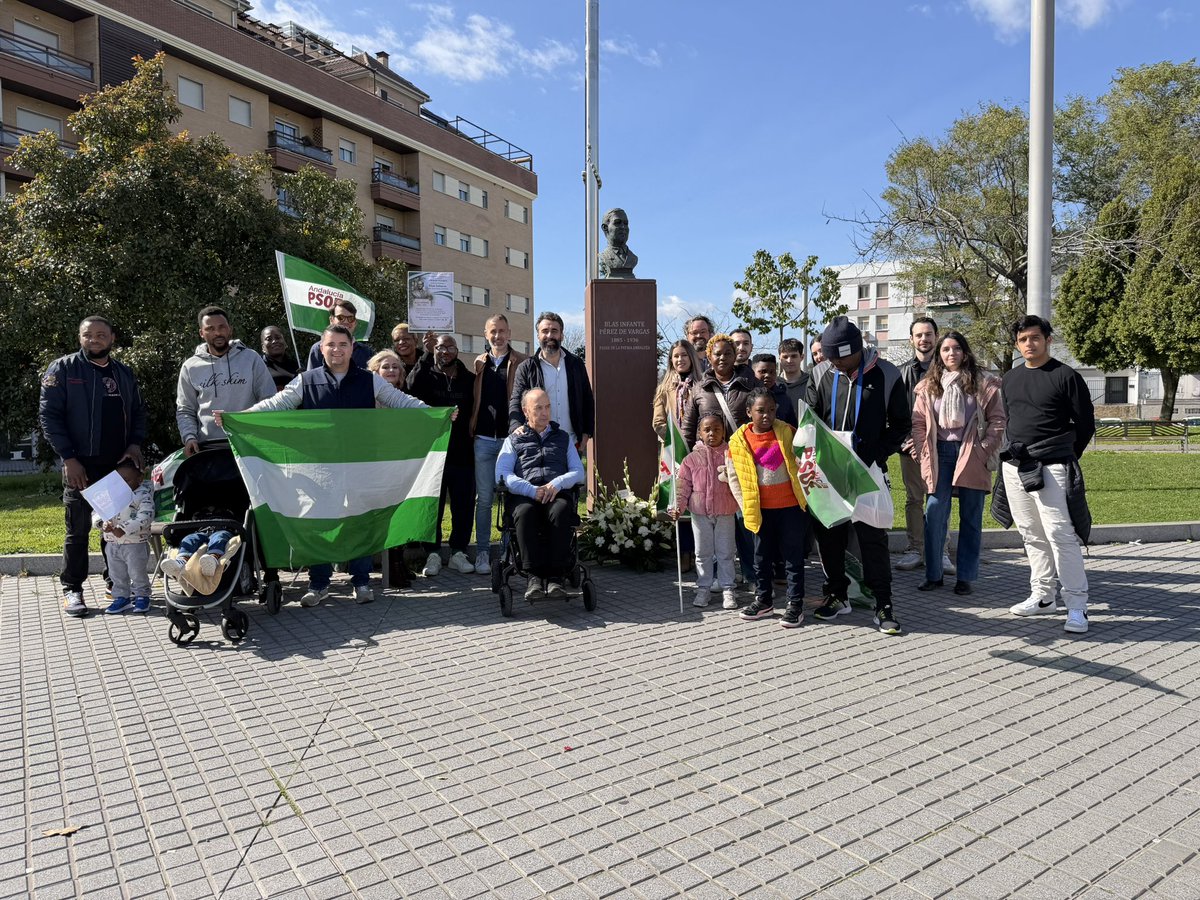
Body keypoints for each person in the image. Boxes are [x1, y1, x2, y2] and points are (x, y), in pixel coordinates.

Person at [224, 325, 431, 606]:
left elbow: (399, 400)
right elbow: (278, 403)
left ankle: (361, 582)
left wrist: (433, 413)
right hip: (319, 467)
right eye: (331, 344)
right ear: (322, 349)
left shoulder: (370, 380)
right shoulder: (306, 381)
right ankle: (319, 584)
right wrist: (239, 416)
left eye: (342, 344)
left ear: (352, 347)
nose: (337, 350)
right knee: (318, 523)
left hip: (360, 465)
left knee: (359, 521)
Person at [992, 315, 1095, 634]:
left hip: (1053, 466)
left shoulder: (1066, 376)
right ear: (1016, 344)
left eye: (1035, 338)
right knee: (1031, 534)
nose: (1029, 344)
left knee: (1060, 534)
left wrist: (1061, 456)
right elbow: (1010, 419)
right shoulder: (1010, 378)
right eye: (1023, 340)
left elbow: (1085, 425)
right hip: (1015, 465)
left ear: (1048, 340)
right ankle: (1043, 596)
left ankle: (1077, 605)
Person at [39, 316, 147, 619]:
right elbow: (50, 418)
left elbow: (139, 412)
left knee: (113, 529)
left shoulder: (123, 373)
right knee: (78, 529)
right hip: (80, 465)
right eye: (88, 335)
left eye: (101, 335)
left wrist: (135, 445)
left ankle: (116, 584)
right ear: (80, 337)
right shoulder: (62, 370)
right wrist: (69, 459)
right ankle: (72, 588)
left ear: (112, 338)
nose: (94, 340)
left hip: (115, 467)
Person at [807, 316, 909, 635]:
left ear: (857, 350)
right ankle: (837, 594)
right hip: (830, 473)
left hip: (867, 471)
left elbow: (902, 425)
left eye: (839, 357)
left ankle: (883, 603)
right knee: (831, 538)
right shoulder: (822, 374)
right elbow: (810, 420)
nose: (834, 362)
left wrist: (877, 454)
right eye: (829, 356)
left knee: (872, 539)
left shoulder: (888, 374)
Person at [911, 331, 1006, 595]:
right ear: (939, 355)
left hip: (971, 451)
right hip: (939, 452)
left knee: (971, 516)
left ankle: (965, 577)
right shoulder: (928, 385)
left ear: (965, 352)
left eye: (956, 349)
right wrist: (922, 450)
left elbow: (998, 420)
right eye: (945, 350)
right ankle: (933, 575)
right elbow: (919, 422)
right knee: (934, 512)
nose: (951, 354)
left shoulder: (983, 383)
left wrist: (983, 448)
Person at [726, 388, 810, 628]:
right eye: (760, 411)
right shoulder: (738, 441)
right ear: (748, 412)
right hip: (760, 510)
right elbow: (734, 476)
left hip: (791, 508)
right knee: (760, 557)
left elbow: (804, 461)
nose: (766, 415)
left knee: (793, 558)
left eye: (771, 410)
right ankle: (763, 600)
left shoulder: (787, 432)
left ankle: (795, 604)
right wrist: (745, 505)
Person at [682, 334, 760, 586]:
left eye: (728, 353)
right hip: (708, 467)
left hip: (741, 463)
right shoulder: (699, 388)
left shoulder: (749, 384)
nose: (723, 358)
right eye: (717, 354)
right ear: (709, 356)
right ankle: (716, 577)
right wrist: (686, 461)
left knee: (744, 519)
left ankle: (751, 574)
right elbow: (688, 428)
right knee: (713, 520)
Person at [497, 388, 585, 600]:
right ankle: (533, 577)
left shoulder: (563, 438)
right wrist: (531, 490)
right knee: (525, 512)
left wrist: (556, 484)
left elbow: (578, 471)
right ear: (526, 411)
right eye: (538, 408)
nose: (545, 412)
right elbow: (502, 474)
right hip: (525, 494)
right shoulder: (513, 440)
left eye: (547, 407)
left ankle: (556, 577)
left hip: (555, 493)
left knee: (562, 510)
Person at [407, 332, 476, 577]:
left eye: (449, 346)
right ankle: (433, 553)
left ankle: (458, 551)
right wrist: (425, 354)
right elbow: (409, 387)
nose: (444, 351)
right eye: (439, 347)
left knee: (463, 504)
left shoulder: (469, 379)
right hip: (433, 453)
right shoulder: (424, 375)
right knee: (432, 505)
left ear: (457, 350)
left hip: (463, 452)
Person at [177, 306, 276, 456]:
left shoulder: (251, 358)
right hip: (208, 449)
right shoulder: (190, 367)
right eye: (210, 328)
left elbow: (269, 399)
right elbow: (185, 409)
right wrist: (189, 437)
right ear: (201, 333)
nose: (217, 333)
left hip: (251, 446)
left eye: (221, 327)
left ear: (230, 329)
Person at [470, 314, 527, 574]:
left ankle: (506, 550)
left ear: (509, 333)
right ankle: (482, 552)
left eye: (502, 331)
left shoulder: (522, 362)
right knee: (483, 500)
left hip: (510, 440)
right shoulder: (479, 363)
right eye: (493, 331)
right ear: (485, 334)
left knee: (510, 496)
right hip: (483, 439)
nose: (498, 336)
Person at [896, 316, 953, 575]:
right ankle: (915, 549)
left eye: (928, 334)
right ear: (911, 340)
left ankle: (940, 551)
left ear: (936, 337)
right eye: (918, 335)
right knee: (914, 499)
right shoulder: (902, 373)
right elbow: (897, 412)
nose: (924, 339)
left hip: (942, 446)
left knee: (940, 498)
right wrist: (908, 440)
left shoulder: (950, 371)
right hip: (910, 447)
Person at [670, 413, 739, 609]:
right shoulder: (691, 459)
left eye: (717, 429)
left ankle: (728, 589)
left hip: (725, 511)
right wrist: (677, 507)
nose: (712, 433)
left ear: (723, 431)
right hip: (699, 513)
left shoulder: (731, 454)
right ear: (699, 433)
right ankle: (703, 588)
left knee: (726, 552)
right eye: (707, 430)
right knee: (702, 552)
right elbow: (683, 487)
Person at [509, 312, 594, 453]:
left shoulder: (576, 364)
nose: (549, 336)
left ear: (561, 335)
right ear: (538, 336)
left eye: (554, 331)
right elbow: (516, 400)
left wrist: (586, 433)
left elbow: (587, 399)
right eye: (544, 331)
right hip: (538, 444)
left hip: (572, 444)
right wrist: (515, 425)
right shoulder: (526, 367)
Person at [652, 339, 702, 571]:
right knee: (678, 501)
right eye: (675, 356)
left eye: (683, 355)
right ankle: (683, 553)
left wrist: (696, 441)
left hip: (699, 450)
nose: (679, 360)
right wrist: (675, 439)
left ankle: (699, 551)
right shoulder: (664, 388)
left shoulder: (702, 385)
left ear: (691, 357)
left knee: (698, 501)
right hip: (675, 453)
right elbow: (658, 422)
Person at [367, 350, 414, 588]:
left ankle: (398, 562)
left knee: (398, 514)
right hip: (372, 465)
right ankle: (385, 566)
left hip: (398, 463)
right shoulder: (366, 399)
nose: (392, 371)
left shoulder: (404, 399)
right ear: (375, 371)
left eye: (396, 367)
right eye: (386, 367)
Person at [92, 459, 154, 614]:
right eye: (119, 481)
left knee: (137, 571)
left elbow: (146, 516)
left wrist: (124, 529)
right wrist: (101, 523)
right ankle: (121, 597)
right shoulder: (111, 494)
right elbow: (97, 511)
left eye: (127, 480)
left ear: (139, 479)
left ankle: (141, 595)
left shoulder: (143, 495)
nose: (122, 484)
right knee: (116, 572)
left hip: (135, 543)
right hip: (112, 543)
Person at [305, 299, 372, 370]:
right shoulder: (318, 349)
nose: (346, 321)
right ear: (331, 320)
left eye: (350, 318)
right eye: (341, 318)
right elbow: (312, 379)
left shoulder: (366, 352)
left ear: (355, 322)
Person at [750, 353, 797, 427]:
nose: (768, 375)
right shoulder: (745, 395)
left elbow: (792, 427)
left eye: (772, 372)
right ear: (752, 372)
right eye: (763, 372)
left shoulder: (784, 398)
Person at [597, 207, 638, 279]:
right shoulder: (603, 257)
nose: (623, 227)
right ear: (605, 227)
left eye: (626, 223)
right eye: (617, 222)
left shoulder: (633, 258)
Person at [260, 325, 299, 391]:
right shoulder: (259, 367)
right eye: (269, 339)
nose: (274, 341)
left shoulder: (297, 365)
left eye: (278, 338)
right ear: (263, 347)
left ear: (285, 343)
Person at [777, 338, 810, 414]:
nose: (789, 361)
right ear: (779, 359)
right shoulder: (774, 385)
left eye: (794, 356)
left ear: (802, 357)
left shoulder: (811, 384)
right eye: (785, 357)